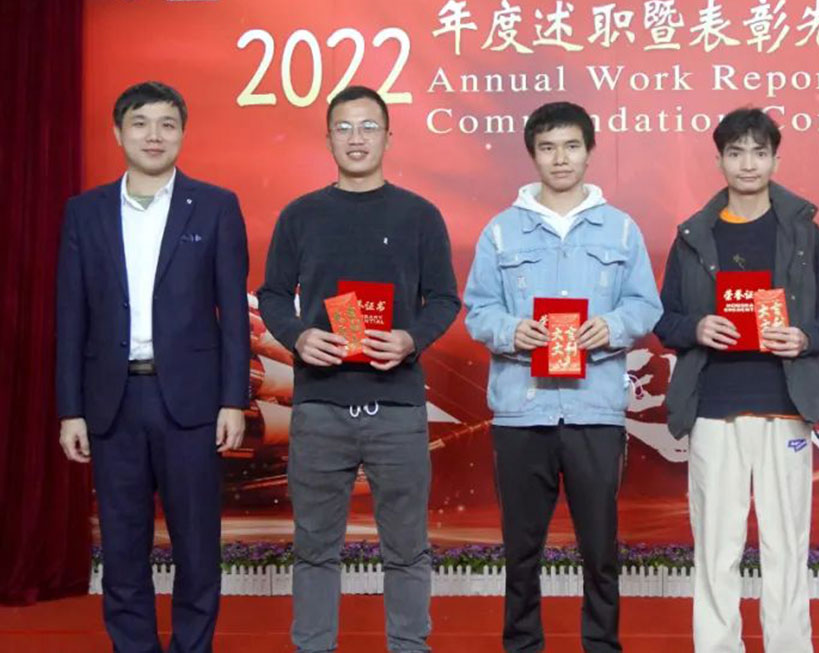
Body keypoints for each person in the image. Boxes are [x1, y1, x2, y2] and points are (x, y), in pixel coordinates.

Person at [256, 85, 461, 653]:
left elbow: (445, 299)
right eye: (344, 127)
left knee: (407, 548)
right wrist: (299, 337)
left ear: (389, 137)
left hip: (397, 408)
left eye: (368, 126)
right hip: (320, 407)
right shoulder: (300, 215)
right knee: (314, 548)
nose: (356, 138)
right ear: (328, 139)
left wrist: (410, 339)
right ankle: (313, 646)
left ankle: (409, 645)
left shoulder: (420, 215)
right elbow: (272, 295)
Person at [56, 80, 250, 653]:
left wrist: (233, 399)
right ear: (118, 133)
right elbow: (70, 316)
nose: (154, 135)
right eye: (140, 123)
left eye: (167, 124)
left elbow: (233, 314)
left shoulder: (215, 206)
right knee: (121, 546)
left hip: (191, 401)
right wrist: (70, 409)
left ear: (183, 133)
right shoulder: (85, 212)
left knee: (197, 546)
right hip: (112, 402)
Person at [463, 101, 662, 653]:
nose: (560, 158)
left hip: (594, 409)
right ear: (532, 154)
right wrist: (511, 331)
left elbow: (646, 306)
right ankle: (522, 644)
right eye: (548, 147)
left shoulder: (621, 230)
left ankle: (602, 645)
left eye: (572, 146)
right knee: (521, 549)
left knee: (599, 549)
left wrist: (611, 327)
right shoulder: (501, 232)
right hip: (522, 410)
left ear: (589, 151)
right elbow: (477, 310)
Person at [653, 108, 819, 653]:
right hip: (715, 408)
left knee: (787, 543)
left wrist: (804, 337)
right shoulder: (695, 235)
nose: (747, 164)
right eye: (735, 153)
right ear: (719, 160)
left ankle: (789, 645)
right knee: (717, 545)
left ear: (775, 160)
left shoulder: (804, 232)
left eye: (759, 153)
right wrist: (696, 327)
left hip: (786, 404)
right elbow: (664, 318)